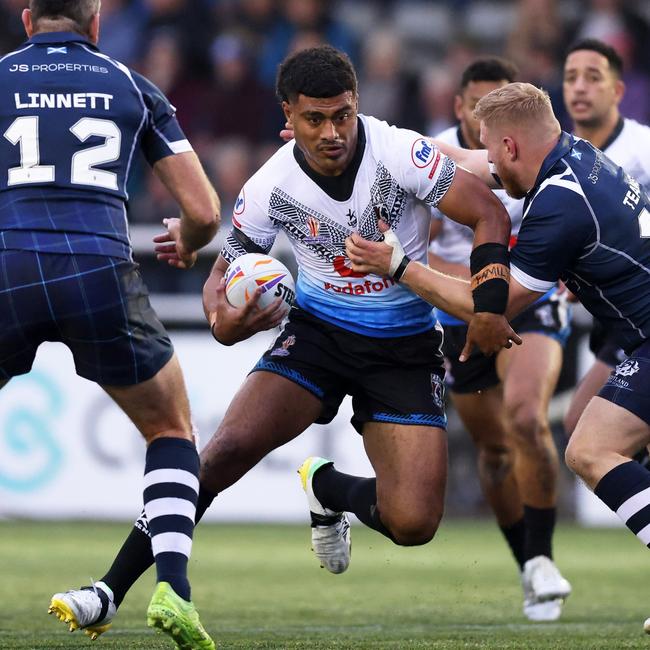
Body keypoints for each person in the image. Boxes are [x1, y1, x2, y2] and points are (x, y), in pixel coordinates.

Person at [52, 45, 519, 636]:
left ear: (357, 107)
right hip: (317, 334)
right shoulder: (270, 186)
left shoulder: (400, 154)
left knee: (414, 524)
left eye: (342, 115)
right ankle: (108, 591)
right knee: (221, 456)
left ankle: (325, 486)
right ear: (287, 119)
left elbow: (490, 216)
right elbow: (224, 282)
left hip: (404, 344)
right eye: (315, 119)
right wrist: (228, 323)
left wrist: (489, 307)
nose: (332, 132)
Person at [346, 81, 650, 632]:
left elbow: (489, 307)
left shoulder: (558, 204)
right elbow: (464, 160)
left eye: (492, 148)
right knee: (596, 442)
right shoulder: (576, 154)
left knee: (590, 448)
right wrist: (367, 137)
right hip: (641, 337)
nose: (487, 160)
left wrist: (398, 267)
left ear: (511, 146)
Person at [1, 2, 221, 648]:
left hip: (8, 266)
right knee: (171, 429)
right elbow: (204, 208)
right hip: (98, 269)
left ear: (26, 18)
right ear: (95, 24)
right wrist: (191, 238)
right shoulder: (129, 83)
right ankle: (174, 589)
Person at [428, 58, 571, 622]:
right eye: (477, 103)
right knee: (493, 450)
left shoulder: (533, 152)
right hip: (460, 313)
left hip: (528, 301)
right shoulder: (431, 156)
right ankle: (526, 565)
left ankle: (542, 559)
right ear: (461, 107)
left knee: (526, 418)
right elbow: (418, 243)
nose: (485, 114)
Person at [560, 38, 650, 436]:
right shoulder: (557, 156)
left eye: (592, 78)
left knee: (585, 430)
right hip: (610, 315)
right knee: (582, 430)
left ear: (617, 91)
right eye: (570, 78)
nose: (579, 87)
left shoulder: (642, 149)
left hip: (640, 307)